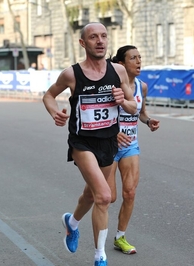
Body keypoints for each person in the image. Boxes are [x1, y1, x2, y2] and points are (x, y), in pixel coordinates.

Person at [42, 22, 137, 266]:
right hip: (82, 143)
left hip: (108, 141)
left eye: (104, 36)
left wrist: (122, 101)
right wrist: (55, 113)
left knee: (91, 194)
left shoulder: (118, 71)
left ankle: (71, 223)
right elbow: (49, 95)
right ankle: (100, 257)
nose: (100, 41)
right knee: (104, 197)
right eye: (93, 37)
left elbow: (132, 106)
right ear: (83, 43)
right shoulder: (72, 74)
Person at [107, 45, 159, 254]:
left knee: (129, 192)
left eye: (140, 57)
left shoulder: (142, 87)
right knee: (108, 197)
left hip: (130, 145)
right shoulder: (111, 86)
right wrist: (113, 132)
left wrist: (148, 121)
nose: (138, 62)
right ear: (121, 64)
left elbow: (141, 112)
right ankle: (78, 217)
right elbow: (99, 115)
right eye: (133, 58)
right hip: (109, 145)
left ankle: (120, 237)